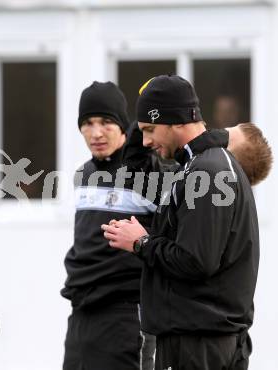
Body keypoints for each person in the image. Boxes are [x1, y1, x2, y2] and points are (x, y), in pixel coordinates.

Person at [102, 74, 260, 370]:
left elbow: (196, 261)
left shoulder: (209, 171)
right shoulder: (198, 166)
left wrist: (141, 242)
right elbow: (135, 165)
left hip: (199, 345)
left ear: (175, 121)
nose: (146, 140)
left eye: (150, 129)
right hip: (199, 340)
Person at [61, 81, 156, 370]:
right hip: (81, 313)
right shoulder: (83, 174)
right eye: (87, 123)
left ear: (123, 126)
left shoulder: (149, 170)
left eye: (106, 122)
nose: (96, 132)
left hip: (125, 315)